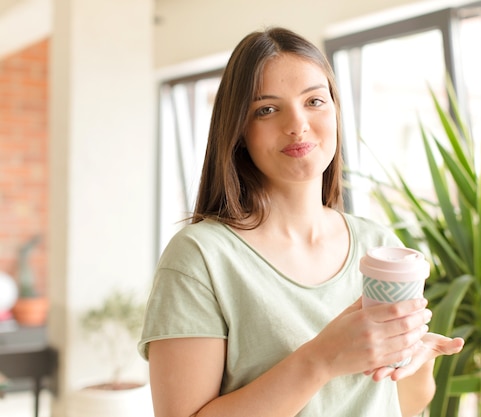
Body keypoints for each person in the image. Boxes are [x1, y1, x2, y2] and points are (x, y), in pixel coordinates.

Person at [138, 26, 464, 417]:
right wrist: (321, 359)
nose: (297, 124)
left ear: (336, 111)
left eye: (314, 101)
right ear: (240, 130)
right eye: (267, 109)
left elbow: (400, 405)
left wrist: (415, 357)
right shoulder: (201, 258)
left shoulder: (378, 245)